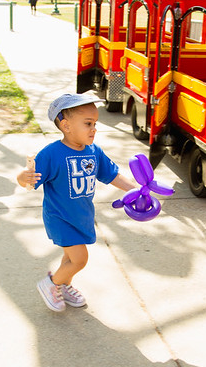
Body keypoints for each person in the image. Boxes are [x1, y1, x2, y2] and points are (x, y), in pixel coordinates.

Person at [16, 93, 136, 312]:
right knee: (80, 260)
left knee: (68, 259)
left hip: (81, 216)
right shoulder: (52, 153)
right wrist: (23, 177)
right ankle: (51, 284)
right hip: (60, 217)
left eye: (95, 124)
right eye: (88, 123)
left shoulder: (94, 151)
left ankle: (64, 284)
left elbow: (111, 175)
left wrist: (133, 189)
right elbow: (28, 180)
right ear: (66, 125)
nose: (94, 129)